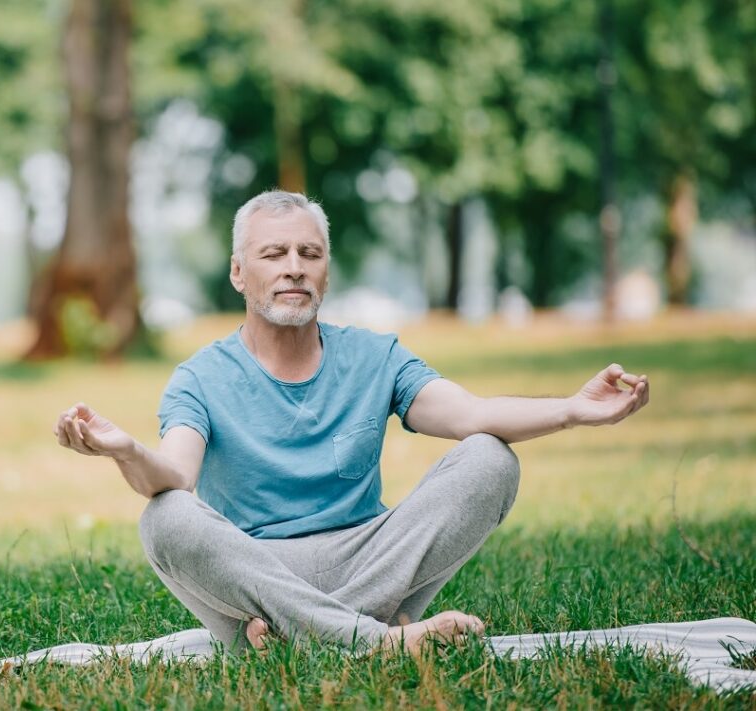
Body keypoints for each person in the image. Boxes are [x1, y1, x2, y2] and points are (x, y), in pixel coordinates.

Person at [53, 190, 650, 655]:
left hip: (370, 560)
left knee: (490, 457)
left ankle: (309, 640)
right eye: (274, 254)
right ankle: (377, 642)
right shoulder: (200, 377)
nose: (294, 268)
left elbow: (471, 414)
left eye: (309, 254)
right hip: (256, 578)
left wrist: (572, 409)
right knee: (166, 516)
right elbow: (174, 474)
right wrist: (126, 449)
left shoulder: (375, 356)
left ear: (326, 270)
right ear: (239, 273)